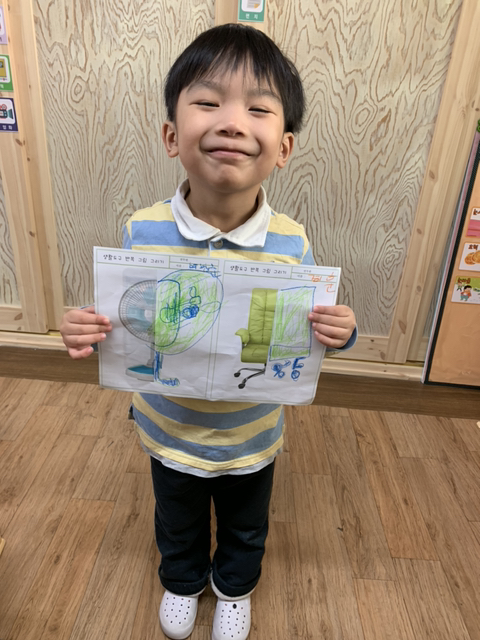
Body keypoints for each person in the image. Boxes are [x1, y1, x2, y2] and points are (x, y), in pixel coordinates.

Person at [60, 24, 357, 640]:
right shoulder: (142, 230)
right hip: (168, 425)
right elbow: (129, 315)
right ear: (172, 136)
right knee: (176, 516)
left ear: (284, 147)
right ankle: (182, 578)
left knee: (248, 523)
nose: (231, 122)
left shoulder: (291, 242)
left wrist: (340, 331)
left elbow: (300, 334)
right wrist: (87, 325)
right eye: (208, 101)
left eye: (258, 109)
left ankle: (234, 588)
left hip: (251, 431)